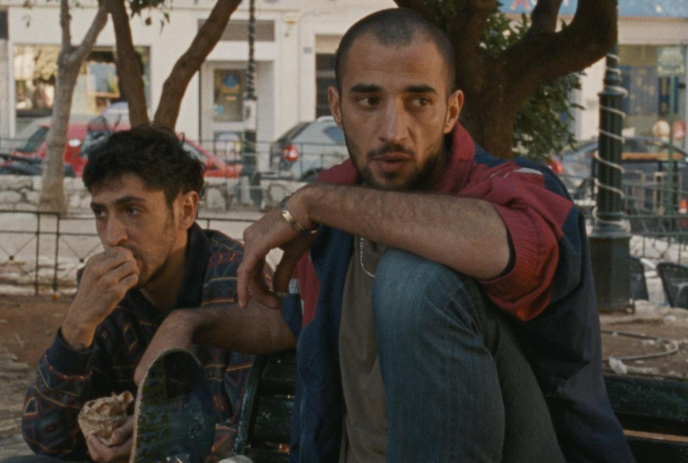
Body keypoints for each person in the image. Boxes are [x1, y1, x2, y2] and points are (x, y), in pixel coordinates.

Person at [136, 8, 636, 463]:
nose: (393, 129)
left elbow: (510, 247)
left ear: (451, 111)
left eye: (418, 101)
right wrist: (187, 324)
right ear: (336, 106)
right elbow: (292, 323)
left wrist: (313, 201)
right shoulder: (335, 208)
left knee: (413, 278)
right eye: (368, 100)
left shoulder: (515, 188)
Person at [14, 126, 264, 463]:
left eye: (132, 210)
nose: (112, 236)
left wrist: (154, 438)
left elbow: (255, 438)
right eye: (101, 213)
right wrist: (76, 330)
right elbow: (47, 438)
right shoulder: (105, 295)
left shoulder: (238, 282)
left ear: (186, 210)